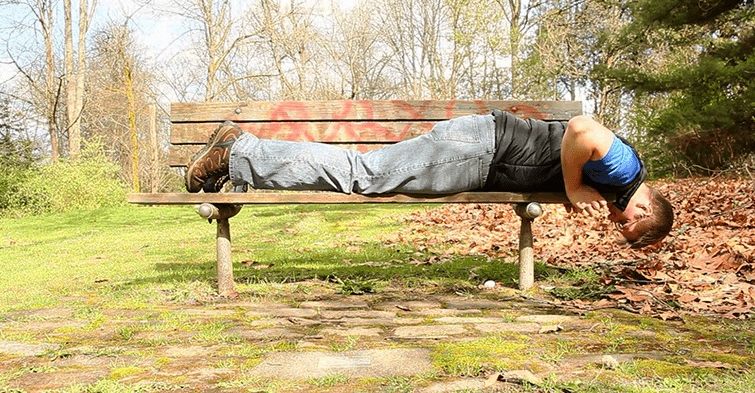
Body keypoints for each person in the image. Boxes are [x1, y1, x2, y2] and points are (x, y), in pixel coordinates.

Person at [185, 110, 674, 248]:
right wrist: (572, 187)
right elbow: (580, 128)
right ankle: (239, 153)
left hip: (479, 152)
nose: (615, 218)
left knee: (365, 174)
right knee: (365, 175)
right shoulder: (626, 172)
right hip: (479, 151)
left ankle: (242, 157)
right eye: (625, 222)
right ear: (645, 208)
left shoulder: (620, 183)